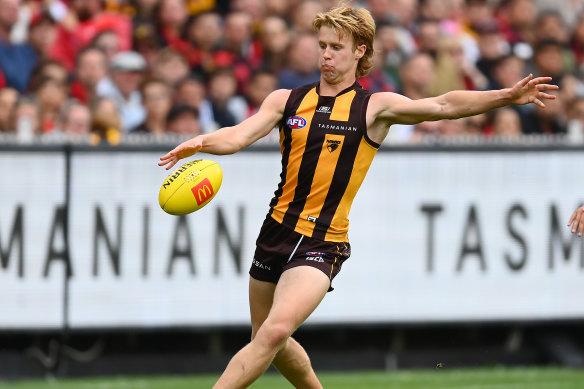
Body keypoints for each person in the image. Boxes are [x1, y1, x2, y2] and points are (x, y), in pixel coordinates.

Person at [158, 6, 558, 388]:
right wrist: (202, 142)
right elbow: (241, 135)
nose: (326, 55)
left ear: (360, 51)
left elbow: (442, 104)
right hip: (275, 230)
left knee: (276, 330)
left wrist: (506, 96)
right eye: (323, 46)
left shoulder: (374, 108)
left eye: (336, 47)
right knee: (268, 338)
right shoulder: (287, 100)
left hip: (322, 241)